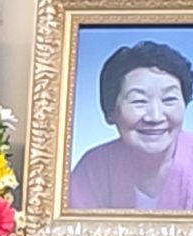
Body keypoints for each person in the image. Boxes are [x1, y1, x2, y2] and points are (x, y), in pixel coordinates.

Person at [69, 40, 193, 210]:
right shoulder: (93, 168)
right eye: (138, 101)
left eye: (169, 99)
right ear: (110, 111)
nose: (155, 116)